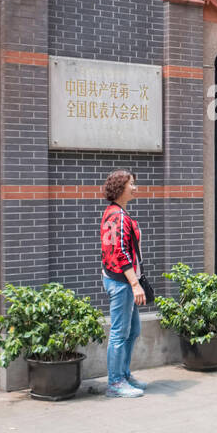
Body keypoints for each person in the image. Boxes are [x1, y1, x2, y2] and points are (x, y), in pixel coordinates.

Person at [100, 169, 148, 398]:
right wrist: (134, 283)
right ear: (121, 187)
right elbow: (119, 252)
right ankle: (115, 383)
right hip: (122, 282)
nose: (135, 188)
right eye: (132, 184)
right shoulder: (117, 215)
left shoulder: (114, 212)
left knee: (133, 329)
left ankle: (124, 374)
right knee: (120, 332)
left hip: (121, 280)